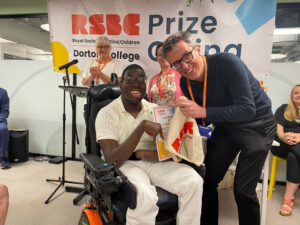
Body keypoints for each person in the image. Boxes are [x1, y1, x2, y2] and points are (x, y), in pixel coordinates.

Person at [162, 31, 276, 225]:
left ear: (197, 49)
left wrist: (202, 111)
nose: (185, 66)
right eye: (177, 64)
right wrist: (180, 118)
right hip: (226, 128)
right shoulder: (185, 82)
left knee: (243, 190)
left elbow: (247, 109)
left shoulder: (228, 63)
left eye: (187, 56)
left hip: (257, 124)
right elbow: (204, 120)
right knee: (205, 181)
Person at [95, 64, 203, 225]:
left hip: (153, 160)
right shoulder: (107, 113)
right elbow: (112, 159)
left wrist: (178, 120)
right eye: (130, 79)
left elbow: (169, 151)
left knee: (193, 181)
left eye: (140, 80)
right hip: (125, 164)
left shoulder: (155, 110)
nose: (136, 83)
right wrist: (142, 127)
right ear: (121, 83)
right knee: (144, 195)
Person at [271, 84, 300, 216]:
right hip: (282, 144)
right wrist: (284, 137)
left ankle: (288, 200)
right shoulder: (283, 108)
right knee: (293, 146)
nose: (298, 95)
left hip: (297, 147)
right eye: (296, 93)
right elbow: (279, 129)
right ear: (292, 96)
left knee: (293, 157)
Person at [0, 88, 10, 169]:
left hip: (0, 120)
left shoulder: (3, 92)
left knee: (3, 129)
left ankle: (3, 157)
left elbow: (5, 111)